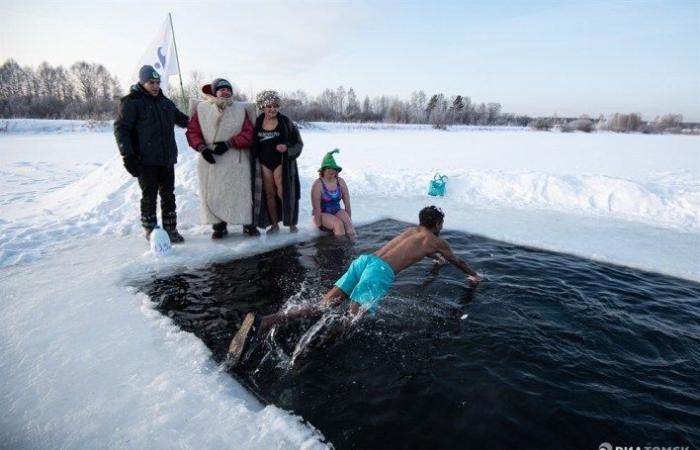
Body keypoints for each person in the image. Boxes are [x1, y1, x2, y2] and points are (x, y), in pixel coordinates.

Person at [228, 206, 481, 365]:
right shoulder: (436, 241)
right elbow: (456, 259)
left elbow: (416, 250)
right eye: (441, 224)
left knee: (321, 306)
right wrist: (473, 276)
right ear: (437, 225)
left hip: (365, 261)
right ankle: (315, 354)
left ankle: (266, 322)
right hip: (379, 274)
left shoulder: (412, 231)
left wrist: (434, 260)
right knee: (352, 321)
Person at [114, 65, 189, 243]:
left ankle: (171, 229)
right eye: (151, 83)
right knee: (149, 196)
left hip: (166, 159)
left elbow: (184, 121)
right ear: (142, 82)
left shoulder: (166, 103)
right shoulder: (132, 102)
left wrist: (203, 114)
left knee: (169, 195)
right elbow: (121, 129)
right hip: (145, 161)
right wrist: (128, 156)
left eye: (157, 82)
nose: (155, 86)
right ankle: (151, 230)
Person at [185, 78, 260, 239]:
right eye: (222, 89)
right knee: (215, 192)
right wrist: (202, 148)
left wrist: (229, 143)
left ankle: (247, 223)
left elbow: (249, 133)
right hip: (211, 158)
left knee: (241, 192)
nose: (226, 92)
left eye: (228, 89)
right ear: (214, 91)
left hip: (236, 158)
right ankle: (219, 225)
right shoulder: (202, 109)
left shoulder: (240, 109)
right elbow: (192, 132)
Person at [252, 90, 303, 234]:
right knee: (269, 194)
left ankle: (291, 223)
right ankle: (274, 224)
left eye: (275, 106)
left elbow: (297, 142)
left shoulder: (286, 122)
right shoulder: (257, 122)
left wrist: (286, 147)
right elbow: (251, 143)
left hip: (281, 162)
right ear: (263, 107)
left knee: (284, 192)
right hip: (264, 162)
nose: (272, 109)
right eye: (269, 106)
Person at [311, 149, 355, 237]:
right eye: (328, 168)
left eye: (333, 168)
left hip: (337, 210)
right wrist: (319, 226)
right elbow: (316, 208)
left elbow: (347, 203)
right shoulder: (318, 184)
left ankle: (352, 248)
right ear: (323, 171)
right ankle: (340, 249)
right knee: (338, 225)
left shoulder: (340, 181)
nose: (331, 171)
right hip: (322, 214)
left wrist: (348, 220)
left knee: (349, 227)